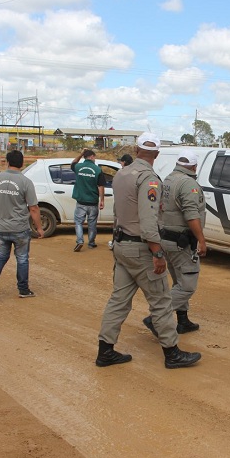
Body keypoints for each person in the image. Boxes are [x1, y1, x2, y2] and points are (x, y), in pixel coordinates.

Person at [96, 132, 202, 369]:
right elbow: (148, 220)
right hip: (141, 248)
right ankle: (172, 353)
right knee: (162, 302)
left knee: (118, 301)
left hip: (121, 245)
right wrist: (157, 252)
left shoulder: (122, 174)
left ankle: (105, 350)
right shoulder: (149, 179)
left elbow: (118, 214)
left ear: (136, 150)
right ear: (156, 154)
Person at [143, 148, 207, 336]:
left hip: (167, 239)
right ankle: (157, 318)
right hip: (182, 242)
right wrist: (201, 240)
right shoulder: (188, 183)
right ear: (194, 166)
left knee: (178, 281)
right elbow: (191, 214)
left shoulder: (168, 178)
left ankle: (183, 321)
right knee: (187, 285)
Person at [0, 150, 44, 302]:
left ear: (7, 162)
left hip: (1, 228)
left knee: (1, 256)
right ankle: (23, 289)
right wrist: (39, 228)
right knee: (22, 259)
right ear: (22, 163)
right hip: (20, 229)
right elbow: (33, 208)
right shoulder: (26, 182)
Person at [71, 148, 106, 251]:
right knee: (92, 224)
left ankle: (80, 241)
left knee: (78, 222)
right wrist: (102, 200)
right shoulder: (97, 170)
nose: (95, 159)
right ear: (91, 157)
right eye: (94, 157)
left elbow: (73, 163)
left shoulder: (78, 167)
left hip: (81, 201)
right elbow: (101, 186)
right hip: (93, 201)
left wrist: (81, 154)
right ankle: (91, 243)